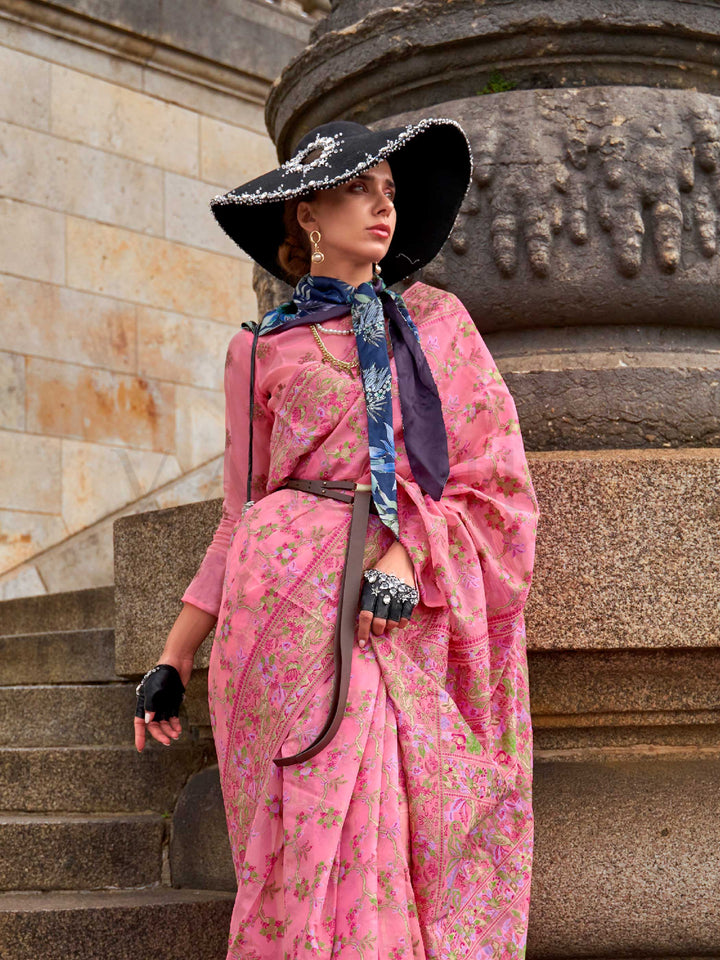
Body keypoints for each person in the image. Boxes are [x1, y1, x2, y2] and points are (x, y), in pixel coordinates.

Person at [134, 118, 539, 959]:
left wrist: (405, 558)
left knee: (371, 808)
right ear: (308, 215)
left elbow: (489, 478)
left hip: (377, 607)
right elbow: (238, 513)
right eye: (359, 188)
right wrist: (173, 659)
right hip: (271, 614)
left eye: (389, 191)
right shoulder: (257, 350)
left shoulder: (435, 325)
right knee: (297, 831)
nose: (381, 206)